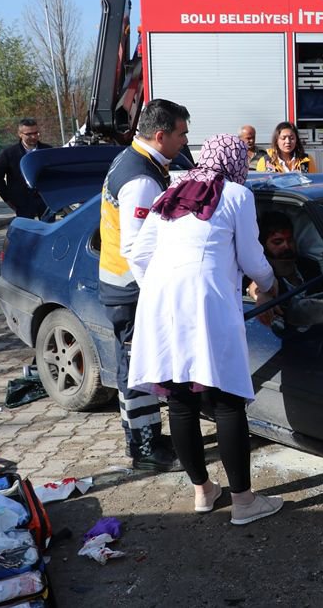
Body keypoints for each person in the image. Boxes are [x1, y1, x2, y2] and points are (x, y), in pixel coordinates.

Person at [127, 133, 284, 525]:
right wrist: (269, 285)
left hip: (161, 301)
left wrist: (164, 289)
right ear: (236, 162)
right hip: (207, 301)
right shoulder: (236, 195)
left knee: (180, 399)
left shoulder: (174, 189)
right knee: (227, 397)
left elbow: (140, 254)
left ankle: (203, 491)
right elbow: (252, 257)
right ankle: (244, 502)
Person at [98, 98, 190, 472]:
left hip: (123, 283)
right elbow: (136, 248)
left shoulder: (140, 161)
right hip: (130, 288)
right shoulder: (139, 178)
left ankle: (143, 433)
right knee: (137, 367)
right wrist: (157, 294)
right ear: (160, 135)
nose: (185, 141)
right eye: (182, 134)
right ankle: (144, 447)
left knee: (135, 364)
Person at [257, 212, 323, 329]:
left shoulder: (309, 266)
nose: (286, 246)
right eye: (277, 242)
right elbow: (253, 284)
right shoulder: (263, 278)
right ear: (263, 246)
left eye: (290, 240)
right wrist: (262, 293)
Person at [0, 118, 50, 219]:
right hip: (22, 202)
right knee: (27, 232)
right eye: (29, 134)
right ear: (20, 134)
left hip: (46, 200)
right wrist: (7, 198)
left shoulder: (47, 151)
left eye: (36, 133)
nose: (33, 136)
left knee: (50, 230)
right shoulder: (9, 153)